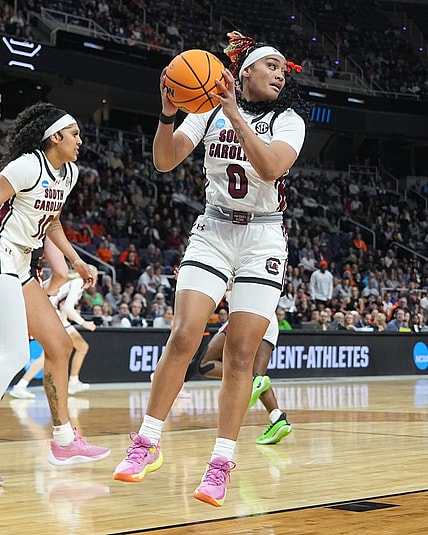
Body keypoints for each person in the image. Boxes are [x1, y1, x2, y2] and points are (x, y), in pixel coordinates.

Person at [113, 30, 308, 507]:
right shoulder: (204, 111)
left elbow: (268, 169)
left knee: (241, 355)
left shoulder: (290, 121)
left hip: (263, 236)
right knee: (184, 335)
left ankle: (221, 462)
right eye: (272, 66)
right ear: (244, 74)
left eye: (283, 69)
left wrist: (235, 115)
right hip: (215, 230)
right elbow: (165, 160)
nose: (281, 74)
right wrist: (167, 114)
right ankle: (146, 443)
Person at [0, 103, 110, 475]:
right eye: (75, 133)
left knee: (60, 345)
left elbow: (52, 221)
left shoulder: (69, 174)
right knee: (14, 354)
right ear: (55, 136)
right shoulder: (27, 165)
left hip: (22, 264)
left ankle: (64, 441)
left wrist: (75, 259)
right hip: (1, 255)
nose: (81, 140)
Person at [188, 314, 292, 445]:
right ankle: (277, 418)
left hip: (246, 315)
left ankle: (251, 380)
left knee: (205, 364)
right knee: (257, 379)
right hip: (270, 320)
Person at [11, 262, 98, 398]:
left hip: (57, 316)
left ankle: (73, 381)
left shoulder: (76, 282)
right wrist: (84, 323)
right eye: (96, 275)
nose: (96, 279)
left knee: (81, 346)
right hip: (52, 315)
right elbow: (67, 308)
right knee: (49, 354)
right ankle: (20, 386)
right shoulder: (78, 282)